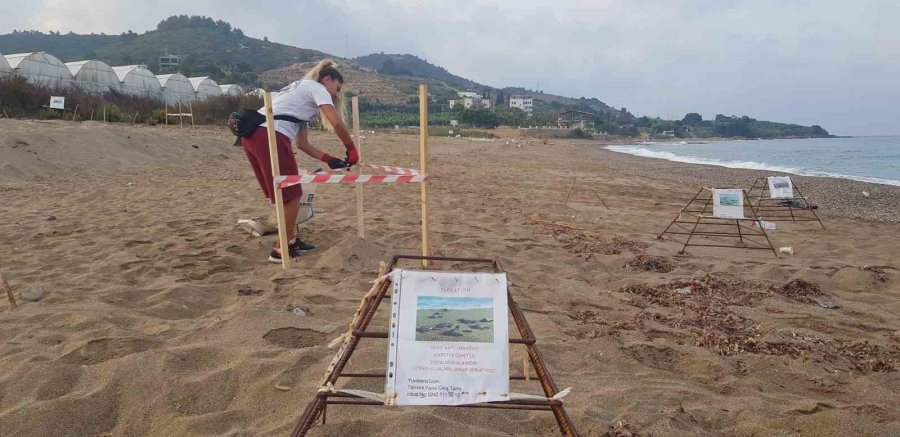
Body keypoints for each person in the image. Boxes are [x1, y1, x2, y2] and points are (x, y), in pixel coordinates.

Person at [241, 59, 359, 263]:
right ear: (327, 79)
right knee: (292, 195)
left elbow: (302, 144)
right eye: (337, 89)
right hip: (271, 135)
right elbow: (336, 122)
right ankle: (280, 250)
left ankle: (291, 240)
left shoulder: (300, 93)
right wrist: (351, 148)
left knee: (284, 193)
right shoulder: (316, 87)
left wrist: (329, 159)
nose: (336, 95)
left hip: (252, 135)